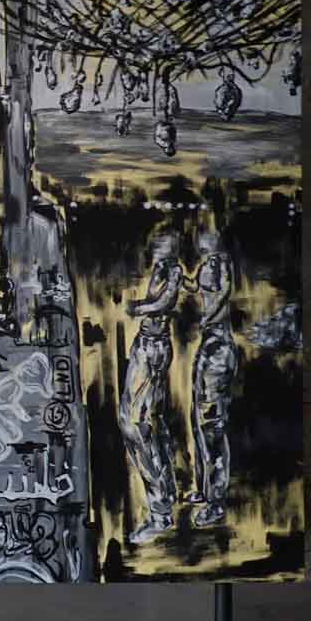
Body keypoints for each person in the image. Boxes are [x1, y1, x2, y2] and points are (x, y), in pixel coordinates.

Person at [119, 232, 182, 546]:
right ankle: (166, 496)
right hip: (149, 345)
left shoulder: (173, 270)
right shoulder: (161, 269)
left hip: (152, 349)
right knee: (150, 424)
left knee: (134, 425)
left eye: (162, 244)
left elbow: (165, 301)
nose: (156, 247)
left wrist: (138, 308)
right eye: (156, 243)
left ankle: (160, 512)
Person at [188, 230, 240, 528]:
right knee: (199, 420)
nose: (200, 243)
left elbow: (223, 293)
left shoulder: (221, 264)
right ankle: (205, 489)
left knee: (212, 424)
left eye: (205, 240)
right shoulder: (207, 265)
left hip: (219, 346)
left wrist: (209, 317)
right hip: (209, 344)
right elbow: (198, 288)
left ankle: (216, 502)